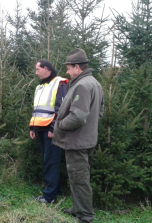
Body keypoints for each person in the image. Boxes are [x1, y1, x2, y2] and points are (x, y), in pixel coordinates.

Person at [52, 48, 104, 223]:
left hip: (77, 142)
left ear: (77, 67)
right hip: (86, 140)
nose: (66, 71)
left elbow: (78, 116)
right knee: (77, 176)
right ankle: (77, 209)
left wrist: (59, 125)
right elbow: (100, 112)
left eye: (68, 68)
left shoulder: (82, 85)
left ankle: (85, 217)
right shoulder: (94, 83)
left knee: (80, 180)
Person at [29, 59, 68, 204]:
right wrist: (33, 127)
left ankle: (49, 197)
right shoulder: (40, 87)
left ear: (47, 69)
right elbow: (37, 109)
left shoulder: (60, 83)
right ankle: (53, 190)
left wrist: (54, 128)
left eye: (38, 69)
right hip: (40, 128)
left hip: (52, 130)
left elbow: (62, 108)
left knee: (52, 162)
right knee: (47, 161)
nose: (36, 72)